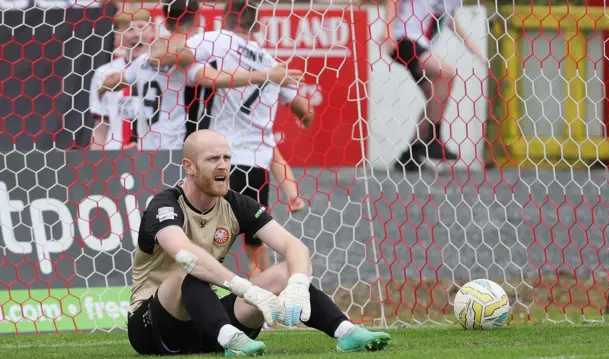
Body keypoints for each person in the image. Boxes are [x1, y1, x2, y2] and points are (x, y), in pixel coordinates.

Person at [126, 129, 391, 356]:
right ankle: (231, 339)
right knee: (188, 270)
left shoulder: (237, 204)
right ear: (189, 166)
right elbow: (184, 254)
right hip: (152, 327)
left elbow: (294, 246)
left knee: (285, 272)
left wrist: (297, 285)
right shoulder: (165, 204)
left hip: (207, 322)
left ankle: (346, 332)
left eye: (226, 158)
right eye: (212, 159)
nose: (223, 165)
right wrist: (245, 288)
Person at [185, 0, 315, 279]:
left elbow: (180, 55)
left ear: (226, 16)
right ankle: (263, 303)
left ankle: (197, 299)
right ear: (256, 24)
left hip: (219, 158)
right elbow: (305, 111)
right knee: (254, 243)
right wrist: (303, 117)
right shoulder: (272, 64)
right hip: (256, 165)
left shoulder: (217, 40)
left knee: (200, 237)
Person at [97, 0, 303, 152]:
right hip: (180, 151)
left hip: (146, 150)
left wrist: (102, 88)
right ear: (197, 19)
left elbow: (114, 81)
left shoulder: (146, 59)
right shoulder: (188, 60)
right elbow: (214, 79)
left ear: (165, 23)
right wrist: (267, 75)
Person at [381, 0, 487, 172]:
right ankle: (433, 138)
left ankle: (410, 155)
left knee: (435, 98)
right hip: (404, 39)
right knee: (447, 74)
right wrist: (388, 30)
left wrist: (471, 46)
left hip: (421, 45)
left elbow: (450, 19)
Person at [89, 6, 155, 151]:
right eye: (129, 29)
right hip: (114, 156)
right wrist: (94, 165)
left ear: (152, 31)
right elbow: (101, 126)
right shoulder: (104, 73)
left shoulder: (162, 70)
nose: (137, 34)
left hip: (156, 153)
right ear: (117, 35)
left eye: (142, 27)